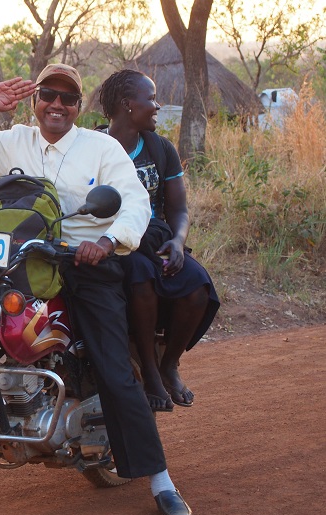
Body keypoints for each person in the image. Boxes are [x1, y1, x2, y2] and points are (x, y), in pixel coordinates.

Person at [0, 64, 194, 515]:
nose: (57, 104)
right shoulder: (15, 141)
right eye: (48, 95)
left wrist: (106, 242)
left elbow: (134, 203)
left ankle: (160, 480)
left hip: (84, 263)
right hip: (19, 264)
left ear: (78, 105)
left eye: (68, 98)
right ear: (36, 100)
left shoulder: (101, 148)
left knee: (114, 368)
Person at [97, 69, 220, 413]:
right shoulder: (92, 146)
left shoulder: (160, 148)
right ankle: (149, 370)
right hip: (112, 241)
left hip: (155, 239)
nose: (157, 105)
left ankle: (169, 365)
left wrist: (178, 242)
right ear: (127, 105)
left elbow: (178, 209)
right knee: (140, 276)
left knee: (197, 284)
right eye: (151, 98)